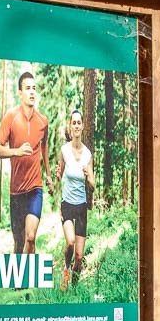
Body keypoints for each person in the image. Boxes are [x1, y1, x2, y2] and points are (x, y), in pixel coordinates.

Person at [0, 71, 49, 254]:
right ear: (20, 93)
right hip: (16, 190)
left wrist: (47, 174)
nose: (32, 92)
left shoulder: (43, 121)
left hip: (35, 189)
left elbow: (44, 146)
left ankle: (23, 279)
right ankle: (19, 281)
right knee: (18, 242)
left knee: (30, 237)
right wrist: (16, 151)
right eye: (27, 88)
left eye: (34, 88)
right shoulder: (11, 117)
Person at [56, 109, 94, 287]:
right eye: (74, 123)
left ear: (82, 126)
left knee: (79, 256)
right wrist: (56, 175)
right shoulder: (64, 150)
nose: (77, 125)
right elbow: (59, 174)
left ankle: (74, 288)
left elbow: (93, 185)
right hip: (67, 205)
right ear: (70, 127)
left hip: (81, 208)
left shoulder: (87, 155)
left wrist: (88, 177)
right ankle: (66, 269)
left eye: (79, 122)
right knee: (70, 242)